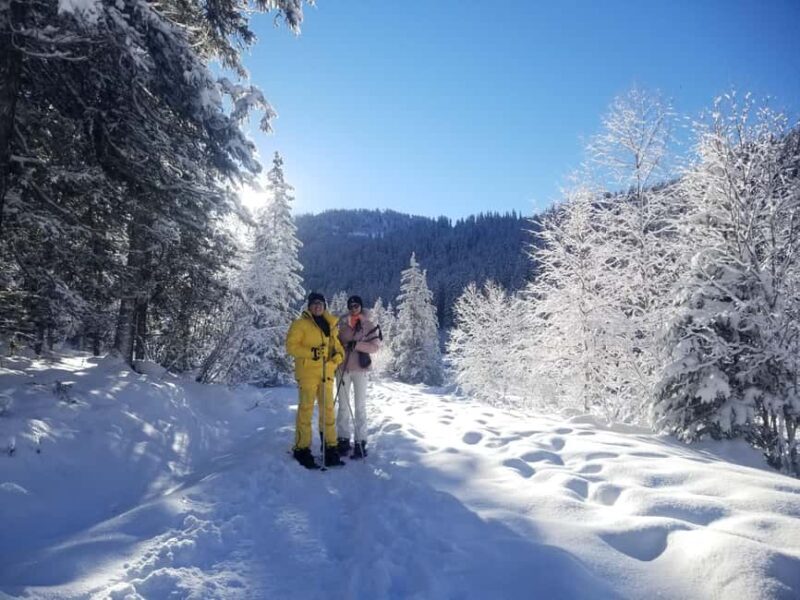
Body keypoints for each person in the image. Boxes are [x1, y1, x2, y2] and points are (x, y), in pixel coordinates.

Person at [286, 292, 346, 469]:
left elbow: (338, 348)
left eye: (320, 303)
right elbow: (291, 347)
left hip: (326, 374)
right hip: (307, 373)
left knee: (328, 410)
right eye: (314, 304)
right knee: (306, 410)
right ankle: (301, 449)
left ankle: (330, 448)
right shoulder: (300, 324)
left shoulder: (330, 325)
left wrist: (337, 357)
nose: (317, 306)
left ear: (324, 306)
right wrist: (311, 353)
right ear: (309, 306)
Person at [335, 295, 381, 459]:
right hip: (342, 369)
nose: (354, 308)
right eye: (351, 305)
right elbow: (335, 343)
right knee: (343, 406)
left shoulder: (368, 324)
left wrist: (357, 345)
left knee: (360, 406)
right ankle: (343, 439)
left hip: (360, 370)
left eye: (356, 305)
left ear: (361, 306)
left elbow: (375, 347)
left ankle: (361, 442)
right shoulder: (342, 324)